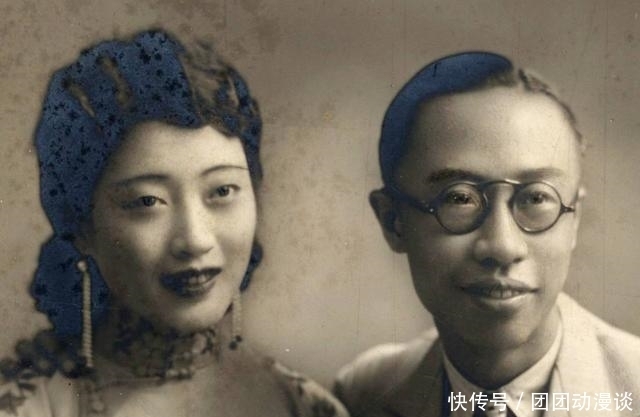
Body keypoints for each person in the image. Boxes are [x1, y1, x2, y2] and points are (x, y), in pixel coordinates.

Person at [0, 29, 349, 417]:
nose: (195, 239)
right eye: (147, 201)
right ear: (81, 226)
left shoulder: (304, 406)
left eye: (222, 191)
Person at [334, 52, 640, 417]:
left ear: (574, 220)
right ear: (392, 221)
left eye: (536, 198)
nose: (502, 246)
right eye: (459, 198)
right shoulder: (363, 395)